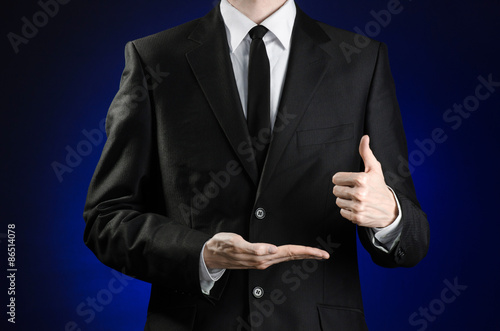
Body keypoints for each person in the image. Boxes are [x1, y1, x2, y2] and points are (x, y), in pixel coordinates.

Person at [83, 0, 430, 330]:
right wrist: (202, 254)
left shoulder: (361, 60)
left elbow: (412, 244)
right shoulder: (154, 58)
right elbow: (107, 218)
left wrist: (390, 216)